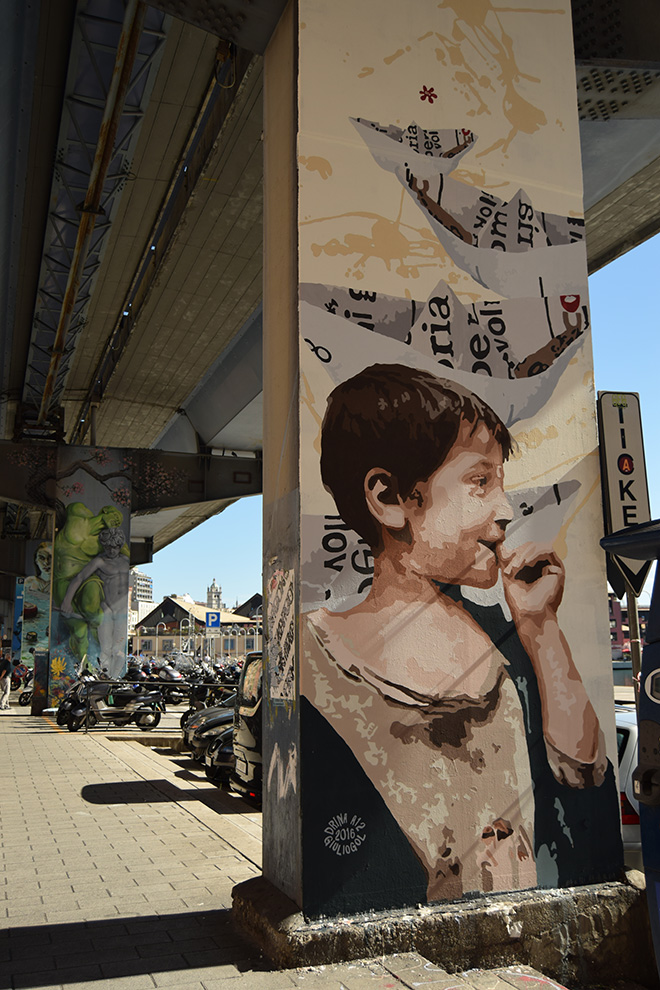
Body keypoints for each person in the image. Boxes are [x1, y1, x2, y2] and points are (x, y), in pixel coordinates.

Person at [302, 363, 620, 914]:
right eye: (480, 482)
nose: (504, 510)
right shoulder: (317, 656)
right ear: (390, 498)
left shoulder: (507, 634)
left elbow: (583, 776)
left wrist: (541, 630)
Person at [60, 527, 130, 677]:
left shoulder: (125, 560)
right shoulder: (99, 561)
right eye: (109, 547)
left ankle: (115, 679)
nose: (112, 551)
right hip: (106, 608)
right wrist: (67, 600)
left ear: (120, 545)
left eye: (116, 547)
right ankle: (104, 678)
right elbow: (79, 578)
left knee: (118, 652)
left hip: (122, 610)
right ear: (104, 545)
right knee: (105, 649)